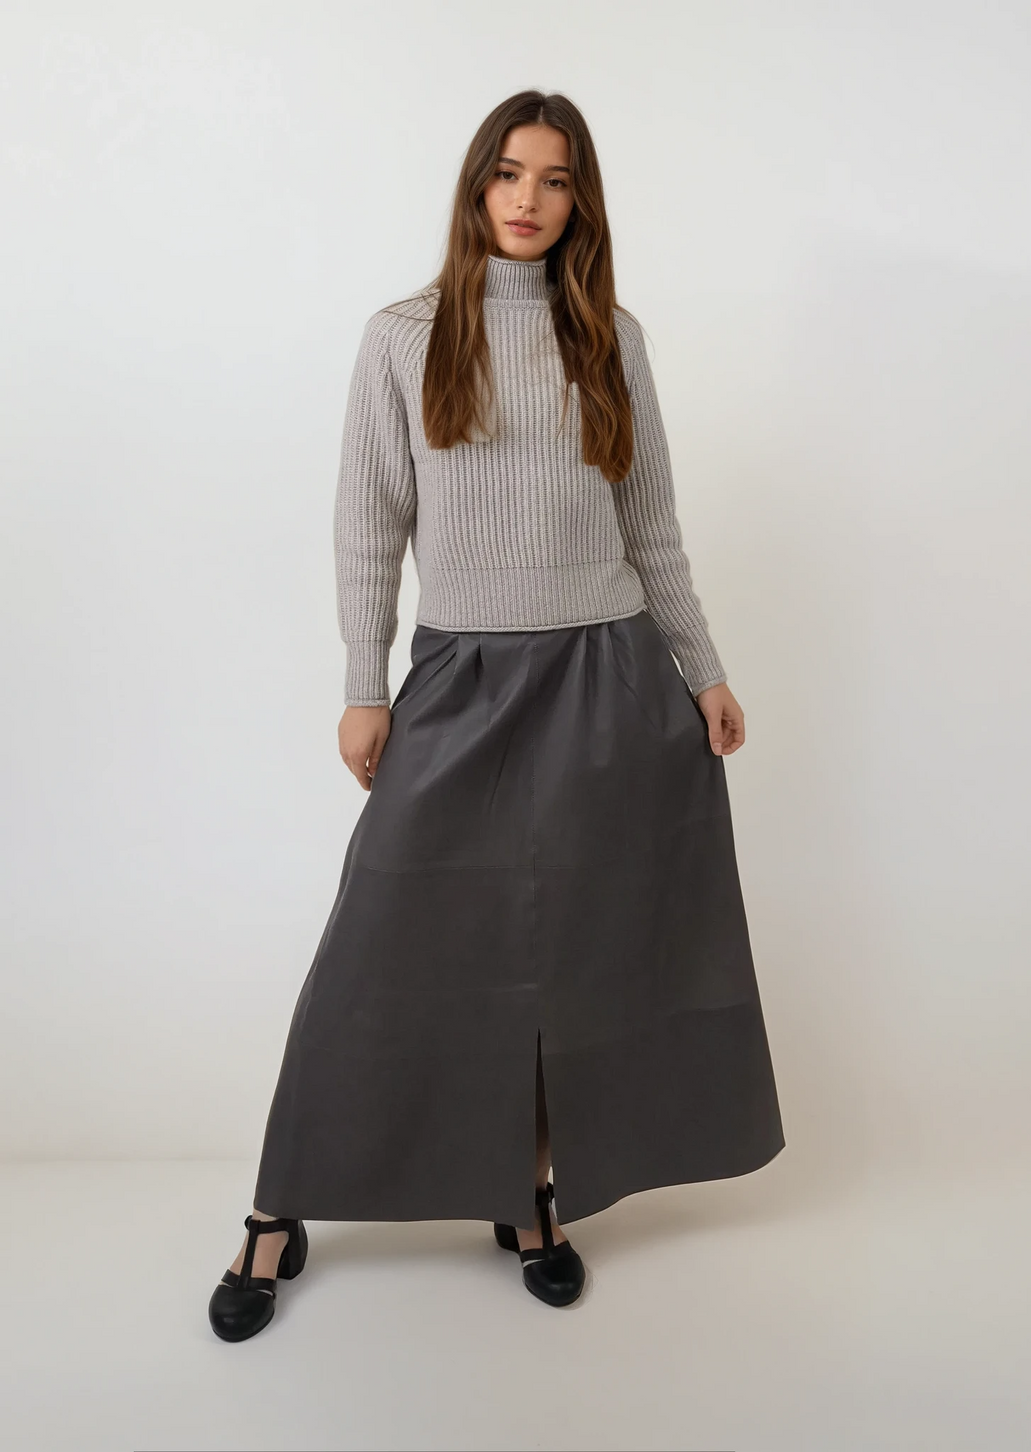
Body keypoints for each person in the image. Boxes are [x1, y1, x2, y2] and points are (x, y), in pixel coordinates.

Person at [208, 89, 784, 1343]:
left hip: (609, 677)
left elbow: (651, 525)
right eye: (509, 173)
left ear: (582, 201)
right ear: (476, 187)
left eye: (555, 179)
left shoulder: (610, 336)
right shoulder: (403, 336)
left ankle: (527, 1197)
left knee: (566, 954)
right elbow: (370, 520)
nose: (529, 199)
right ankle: (276, 1209)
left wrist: (702, 668)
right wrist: (366, 684)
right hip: (461, 679)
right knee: (380, 950)